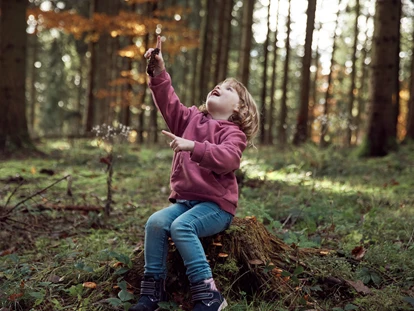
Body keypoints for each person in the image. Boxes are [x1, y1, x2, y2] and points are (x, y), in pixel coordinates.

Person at [130, 36, 259, 311]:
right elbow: (168, 102)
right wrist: (158, 72)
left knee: (181, 227)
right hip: (185, 202)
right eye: (218, 85)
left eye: (227, 89)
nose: (218, 87)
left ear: (239, 108)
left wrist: (193, 146)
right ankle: (153, 291)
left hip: (216, 207)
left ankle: (208, 293)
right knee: (155, 223)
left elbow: (228, 159)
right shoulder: (190, 119)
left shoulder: (233, 133)